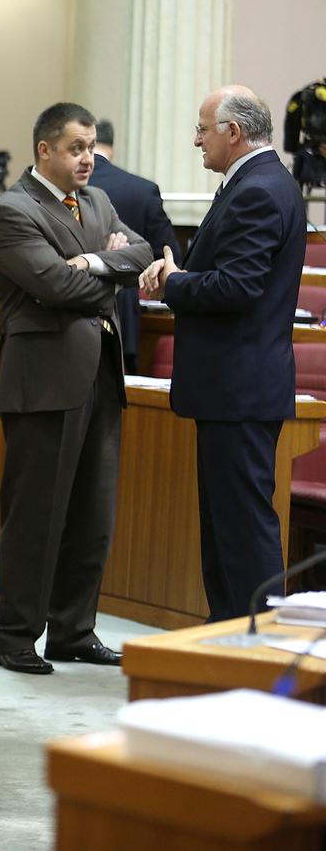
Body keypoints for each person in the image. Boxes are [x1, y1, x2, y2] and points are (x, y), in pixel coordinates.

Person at [0, 103, 152, 675]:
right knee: (37, 514)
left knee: (92, 511)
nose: (88, 158)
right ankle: (15, 636)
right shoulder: (12, 210)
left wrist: (95, 262)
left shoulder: (99, 201)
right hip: (42, 381)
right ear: (45, 151)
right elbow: (54, 283)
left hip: (100, 374)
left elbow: (144, 253)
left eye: (91, 148)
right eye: (77, 148)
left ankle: (74, 630)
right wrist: (107, 269)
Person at [140, 86, 304, 622]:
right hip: (234, 389)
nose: (195, 140)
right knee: (227, 527)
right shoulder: (256, 183)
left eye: (202, 128)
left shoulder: (257, 190)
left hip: (240, 390)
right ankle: (228, 638)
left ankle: (258, 651)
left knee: (243, 530)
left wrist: (176, 283)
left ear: (233, 132)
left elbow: (237, 287)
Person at [89, 119, 180, 373]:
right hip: (122, 315)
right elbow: (169, 254)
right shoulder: (141, 190)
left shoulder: (61, 188)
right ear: (112, 148)